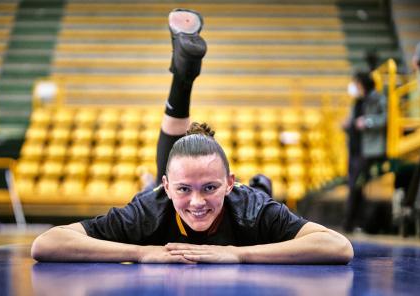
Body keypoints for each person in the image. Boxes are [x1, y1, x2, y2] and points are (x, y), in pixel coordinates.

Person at [31, 9, 353, 264]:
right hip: (157, 194)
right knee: (161, 181)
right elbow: (47, 243)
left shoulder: (251, 208)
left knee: (256, 187)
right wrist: (142, 252)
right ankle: (182, 80)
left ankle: (185, 85)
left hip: (246, 196)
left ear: (230, 183)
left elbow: (338, 247)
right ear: (168, 188)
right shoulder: (149, 211)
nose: (197, 202)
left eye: (210, 188)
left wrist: (238, 253)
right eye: (184, 189)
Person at [343, 71, 387, 232]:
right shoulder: (356, 102)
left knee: (357, 186)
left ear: (362, 84)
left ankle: (353, 223)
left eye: (355, 83)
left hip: (366, 151)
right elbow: (353, 123)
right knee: (354, 186)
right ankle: (352, 223)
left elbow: (385, 117)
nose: (353, 86)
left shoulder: (377, 98)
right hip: (354, 151)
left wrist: (367, 121)